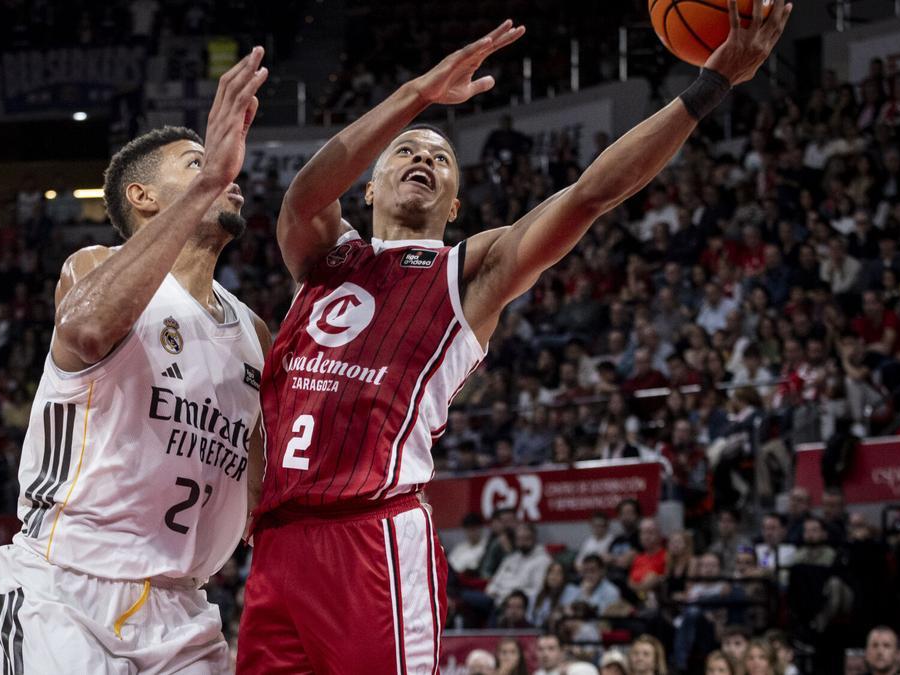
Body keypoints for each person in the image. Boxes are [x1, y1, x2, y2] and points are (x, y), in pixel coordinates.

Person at [237, 8, 793, 670]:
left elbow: (589, 195)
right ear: (370, 185)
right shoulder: (323, 255)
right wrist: (419, 92)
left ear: (453, 205)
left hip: (371, 536)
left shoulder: (468, 273)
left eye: (441, 158)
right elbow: (303, 194)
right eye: (406, 151)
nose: (422, 158)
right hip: (278, 543)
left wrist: (710, 86)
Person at [0, 49, 270, 674]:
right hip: (65, 585)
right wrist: (205, 184)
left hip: (184, 605)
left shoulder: (253, 330)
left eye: (221, 163)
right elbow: (86, 329)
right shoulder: (91, 267)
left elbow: (258, 482)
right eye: (198, 162)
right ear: (143, 196)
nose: (229, 171)